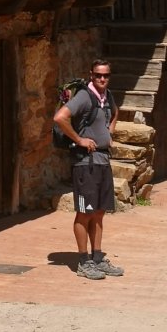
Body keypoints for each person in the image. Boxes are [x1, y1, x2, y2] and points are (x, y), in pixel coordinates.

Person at [52, 59, 124, 280]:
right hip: (85, 164)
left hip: (102, 160)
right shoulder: (84, 96)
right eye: (98, 75)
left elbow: (115, 112)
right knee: (85, 213)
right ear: (91, 75)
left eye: (106, 75)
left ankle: (98, 258)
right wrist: (79, 139)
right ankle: (84, 262)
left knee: (99, 212)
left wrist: (109, 133)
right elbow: (60, 118)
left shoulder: (107, 96)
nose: (102, 79)